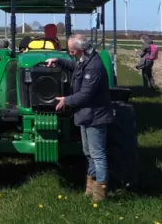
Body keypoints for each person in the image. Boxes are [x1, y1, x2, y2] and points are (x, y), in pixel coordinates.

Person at [45, 34, 113, 202]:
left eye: (72, 51)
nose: (71, 54)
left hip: (95, 115)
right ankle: (90, 188)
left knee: (98, 154)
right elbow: (75, 66)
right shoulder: (85, 59)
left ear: (80, 49)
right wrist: (59, 61)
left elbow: (86, 94)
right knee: (88, 153)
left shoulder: (94, 66)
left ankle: (101, 193)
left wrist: (66, 100)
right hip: (85, 114)